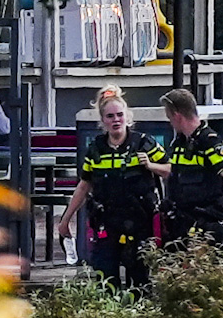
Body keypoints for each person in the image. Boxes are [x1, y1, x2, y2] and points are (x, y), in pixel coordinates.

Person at [57, 88, 164, 288]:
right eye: (110, 116)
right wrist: (66, 220)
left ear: (127, 117)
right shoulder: (96, 149)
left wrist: (151, 166)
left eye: (120, 115)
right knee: (105, 279)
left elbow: (171, 170)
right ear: (103, 120)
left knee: (141, 279)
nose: (116, 120)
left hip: (139, 220)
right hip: (107, 219)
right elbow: (84, 185)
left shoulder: (143, 143)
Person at [159, 88, 223, 255]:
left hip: (205, 219)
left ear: (177, 115)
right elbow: (172, 173)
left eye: (169, 117)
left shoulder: (208, 141)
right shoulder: (179, 143)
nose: (170, 122)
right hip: (180, 220)